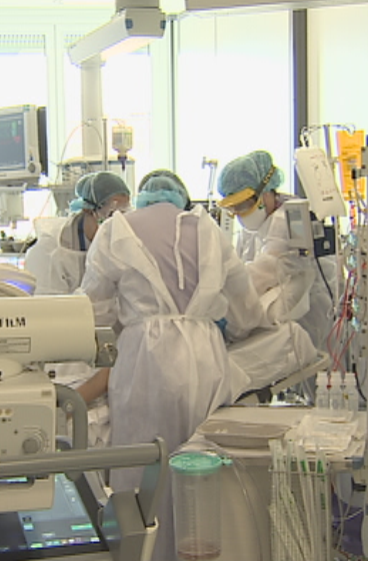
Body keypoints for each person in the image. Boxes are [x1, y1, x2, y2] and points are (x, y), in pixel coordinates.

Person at [76, 170, 266, 561]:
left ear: (141, 198)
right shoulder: (211, 230)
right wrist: (228, 325)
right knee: (204, 471)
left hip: (144, 361)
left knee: (144, 473)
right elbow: (247, 310)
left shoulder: (116, 231)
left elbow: (91, 312)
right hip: (205, 359)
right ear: (181, 198)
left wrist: (123, 323)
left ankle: (144, 553)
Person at [217, 150, 336, 352]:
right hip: (285, 326)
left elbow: (266, 271)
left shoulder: (288, 221)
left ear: (266, 192)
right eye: (233, 208)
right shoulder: (252, 228)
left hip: (311, 318)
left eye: (244, 205)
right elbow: (242, 267)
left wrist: (224, 302)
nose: (239, 214)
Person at [23, 171, 131, 295]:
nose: (113, 227)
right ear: (87, 210)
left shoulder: (118, 247)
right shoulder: (51, 252)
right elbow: (49, 304)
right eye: (109, 216)